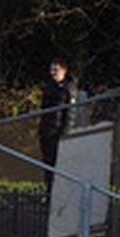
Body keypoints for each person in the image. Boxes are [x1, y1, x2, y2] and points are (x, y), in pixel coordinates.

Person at [39, 57, 78, 193]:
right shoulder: (49, 86)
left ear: (64, 71)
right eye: (51, 69)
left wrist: (65, 134)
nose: (53, 73)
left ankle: (61, 192)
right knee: (47, 164)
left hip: (59, 132)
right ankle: (49, 192)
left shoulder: (68, 88)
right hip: (46, 131)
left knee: (60, 165)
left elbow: (70, 114)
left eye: (56, 70)